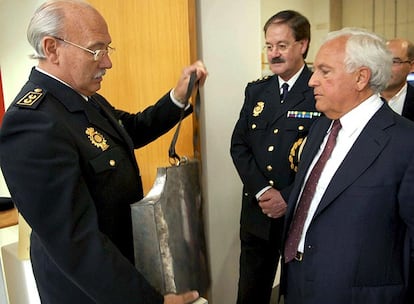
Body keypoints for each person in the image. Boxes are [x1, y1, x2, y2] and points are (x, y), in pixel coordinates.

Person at [0, 1, 207, 303]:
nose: (107, 62)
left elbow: (130, 129)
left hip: (118, 271)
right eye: (96, 50)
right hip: (88, 292)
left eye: (108, 49)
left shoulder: (79, 97)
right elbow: (76, 242)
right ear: (52, 48)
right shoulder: (33, 121)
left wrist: (177, 97)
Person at [281, 27, 414, 304]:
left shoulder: (405, 143)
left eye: (324, 71)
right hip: (299, 283)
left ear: (361, 77)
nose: (311, 81)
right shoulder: (320, 128)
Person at [230, 10, 319, 304]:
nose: (274, 53)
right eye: (269, 46)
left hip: (300, 215)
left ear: (302, 45)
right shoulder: (257, 91)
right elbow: (239, 145)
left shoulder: (319, 90)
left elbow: (325, 157)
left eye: (281, 45)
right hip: (257, 214)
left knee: (298, 294)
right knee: (250, 295)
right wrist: (263, 190)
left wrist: (288, 196)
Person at [381, 38, 414, 120]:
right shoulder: (359, 99)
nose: (386, 67)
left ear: (412, 66)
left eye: (394, 61)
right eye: (382, 61)